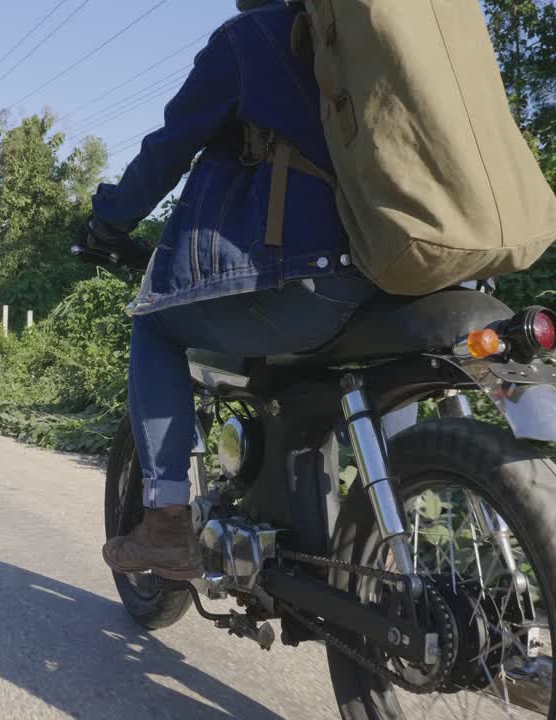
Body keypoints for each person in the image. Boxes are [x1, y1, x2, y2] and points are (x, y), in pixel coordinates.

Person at [86, 0, 379, 579]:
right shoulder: (373, 40)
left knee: (155, 324)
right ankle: (390, 531)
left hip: (311, 274)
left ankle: (167, 521)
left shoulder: (254, 37)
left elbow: (170, 146)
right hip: (402, 271)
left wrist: (110, 218)